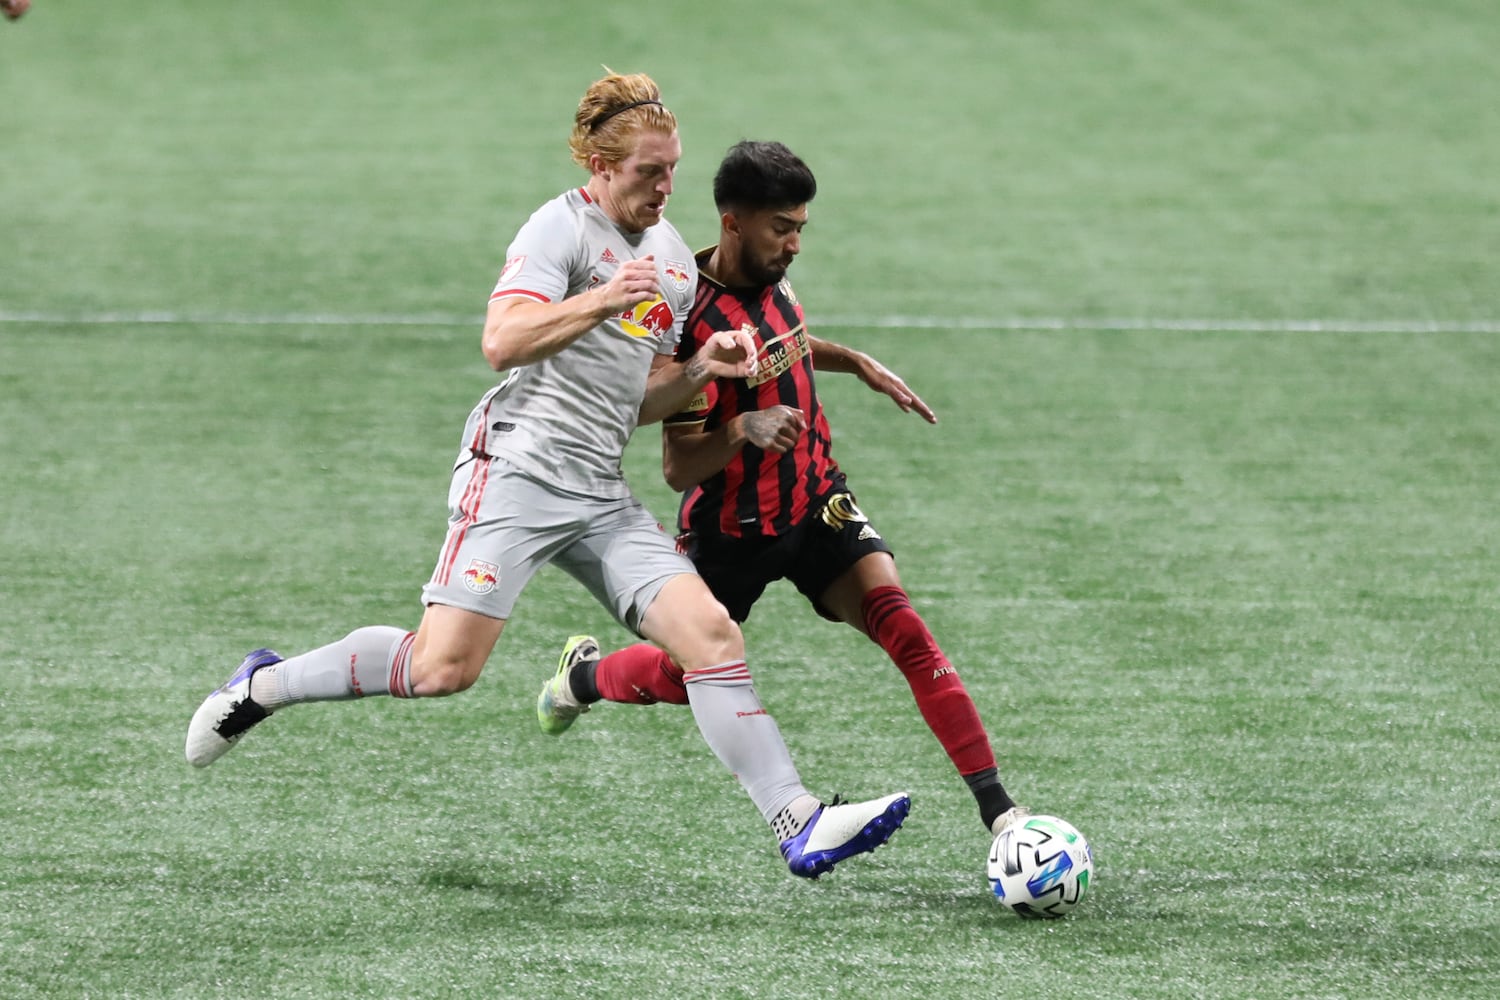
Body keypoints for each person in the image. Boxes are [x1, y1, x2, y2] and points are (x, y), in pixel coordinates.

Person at [185, 77, 910, 880]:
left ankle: (798, 820)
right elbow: (502, 341)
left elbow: (638, 401)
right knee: (441, 670)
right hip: (518, 472)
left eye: (673, 170)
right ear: (601, 165)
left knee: (710, 635)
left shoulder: (670, 258)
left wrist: (702, 366)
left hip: (598, 489)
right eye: (648, 172)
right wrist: (601, 300)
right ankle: (268, 683)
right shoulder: (558, 229)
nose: (667, 189)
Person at [536, 140, 1027, 841]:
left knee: (906, 629)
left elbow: (785, 339)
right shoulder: (688, 321)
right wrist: (745, 430)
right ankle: (582, 679)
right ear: (734, 223)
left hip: (816, 502)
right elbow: (678, 467)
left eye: (801, 227)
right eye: (782, 228)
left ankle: (1001, 814)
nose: (795, 243)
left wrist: (853, 362)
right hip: (732, 532)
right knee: (682, 678)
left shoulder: (774, 276)